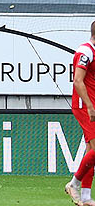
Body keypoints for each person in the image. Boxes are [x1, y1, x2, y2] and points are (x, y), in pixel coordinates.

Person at [67, 21, 95, 205]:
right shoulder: (85, 51)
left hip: (91, 104)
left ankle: (85, 197)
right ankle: (73, 184)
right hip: (85, 106)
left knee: (90, 151)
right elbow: (78, 81)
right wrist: (90, 106)